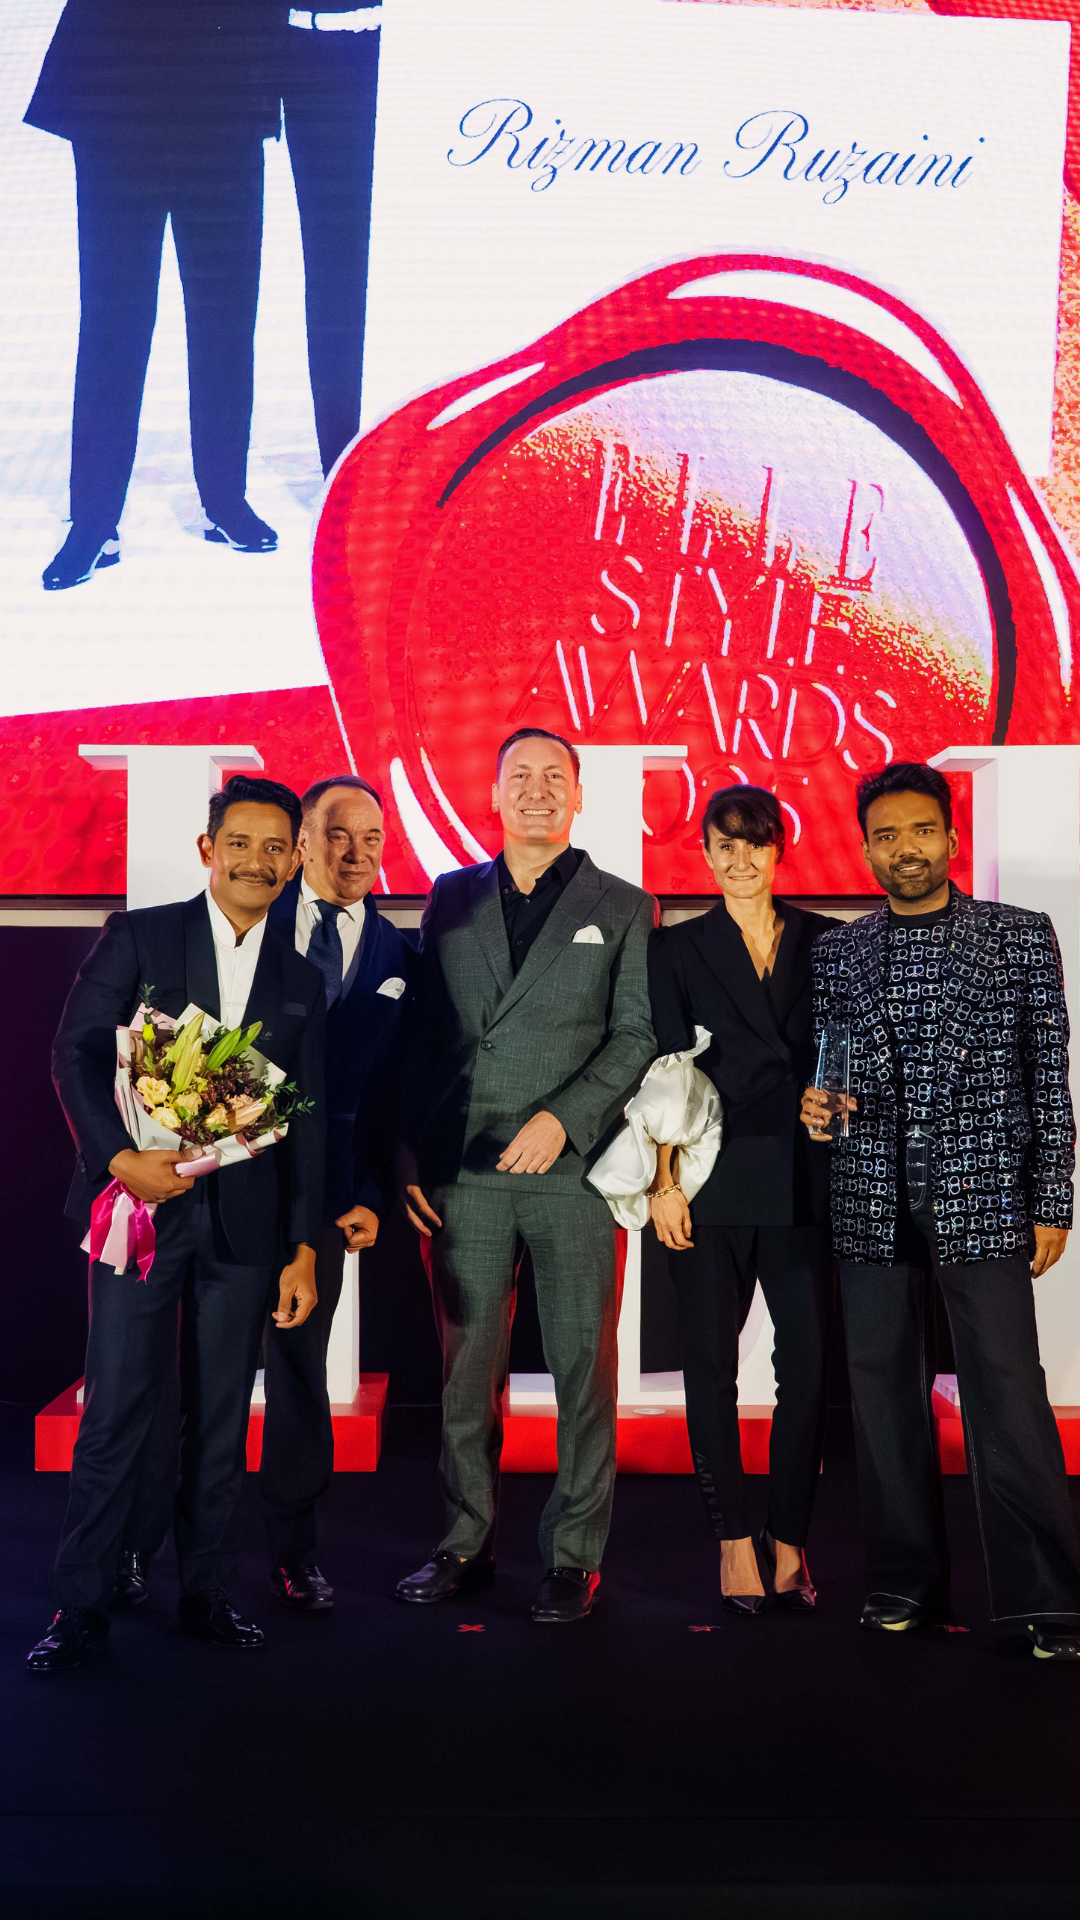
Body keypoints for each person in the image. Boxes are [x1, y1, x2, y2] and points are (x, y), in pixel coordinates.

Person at [27, 775, 325, 1672]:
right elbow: (74, 1054)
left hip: (245, 1233)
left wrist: (303, 1247)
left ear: (295, 860)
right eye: (240, 843)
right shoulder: (141, 935)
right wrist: (120, 1159)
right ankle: (81, 1605)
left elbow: (308, 1127)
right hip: (139, 1210)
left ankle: (205, 1592)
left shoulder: (300, 977)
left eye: (274, 848)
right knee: (116, 1409)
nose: (256, 862)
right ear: (208, 850)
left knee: (223, 1421)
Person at [800, 761, 1080, 1660]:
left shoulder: (1017, 935)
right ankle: (902, 1580)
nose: (905, 849)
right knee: (882, 1395)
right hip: (872, 1193)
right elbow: (829, 1066)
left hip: (985, 1190)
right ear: (867, 851)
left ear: (952, 838)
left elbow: (1049, 1076)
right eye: (886, 836)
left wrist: (1052, 1199)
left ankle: (1046, 1598)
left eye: (921, 830)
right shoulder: (840, 952)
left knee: (1008, 1392)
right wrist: (818, 1106)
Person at [397, 728, 656, 1623]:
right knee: (466, 1370)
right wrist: (412, 1152)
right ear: (494, 794)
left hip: (572, 1170)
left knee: (584, 1366)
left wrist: (565, 1118)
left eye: (554, 777)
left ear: (578, 795)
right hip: (465, 1167)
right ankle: (463, 1544)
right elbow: (425, 1031)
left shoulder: (625, 904)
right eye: (520, 776)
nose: (536, 790)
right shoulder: (450, 896)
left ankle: (574, 1559)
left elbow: (636, 1033)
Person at [24, 1, 284, 591]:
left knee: (225, 320)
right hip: (118, 101)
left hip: (224, 102)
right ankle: (94, 522)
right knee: (113, 324)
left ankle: (224, 499)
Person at [648, 786, 833, 1614]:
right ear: (706, 855)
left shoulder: (826, 941)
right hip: (708, 1176)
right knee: (710, 1369)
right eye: (725, 845)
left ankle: (790, 1538)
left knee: (809, 1369)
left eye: (754, 842)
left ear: (778, 848)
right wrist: (663, 1183)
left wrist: (839, 1101)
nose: (740, 859)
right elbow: (664, 1070)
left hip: (804, 1177)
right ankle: (731, 1541)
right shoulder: (676, 948)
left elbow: (850, 1051)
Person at [258, 771, 419, 1607]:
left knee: (298, 1372)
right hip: (223, 1183)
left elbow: (390, 1097)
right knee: (194, 1371)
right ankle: (151, 1544)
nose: (356, 853)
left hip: (324, 1198)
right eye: (337, 834)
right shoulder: (250, 919)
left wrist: (371, 1194)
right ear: (303, 843)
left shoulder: (398, 954)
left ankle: (295, 1552)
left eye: (372, 839)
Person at [280, 5, 381, 478]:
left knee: (404, 264)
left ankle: (409, 455)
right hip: (309, 57)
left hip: (408, 55)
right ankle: (340, 463)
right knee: (332, 269)